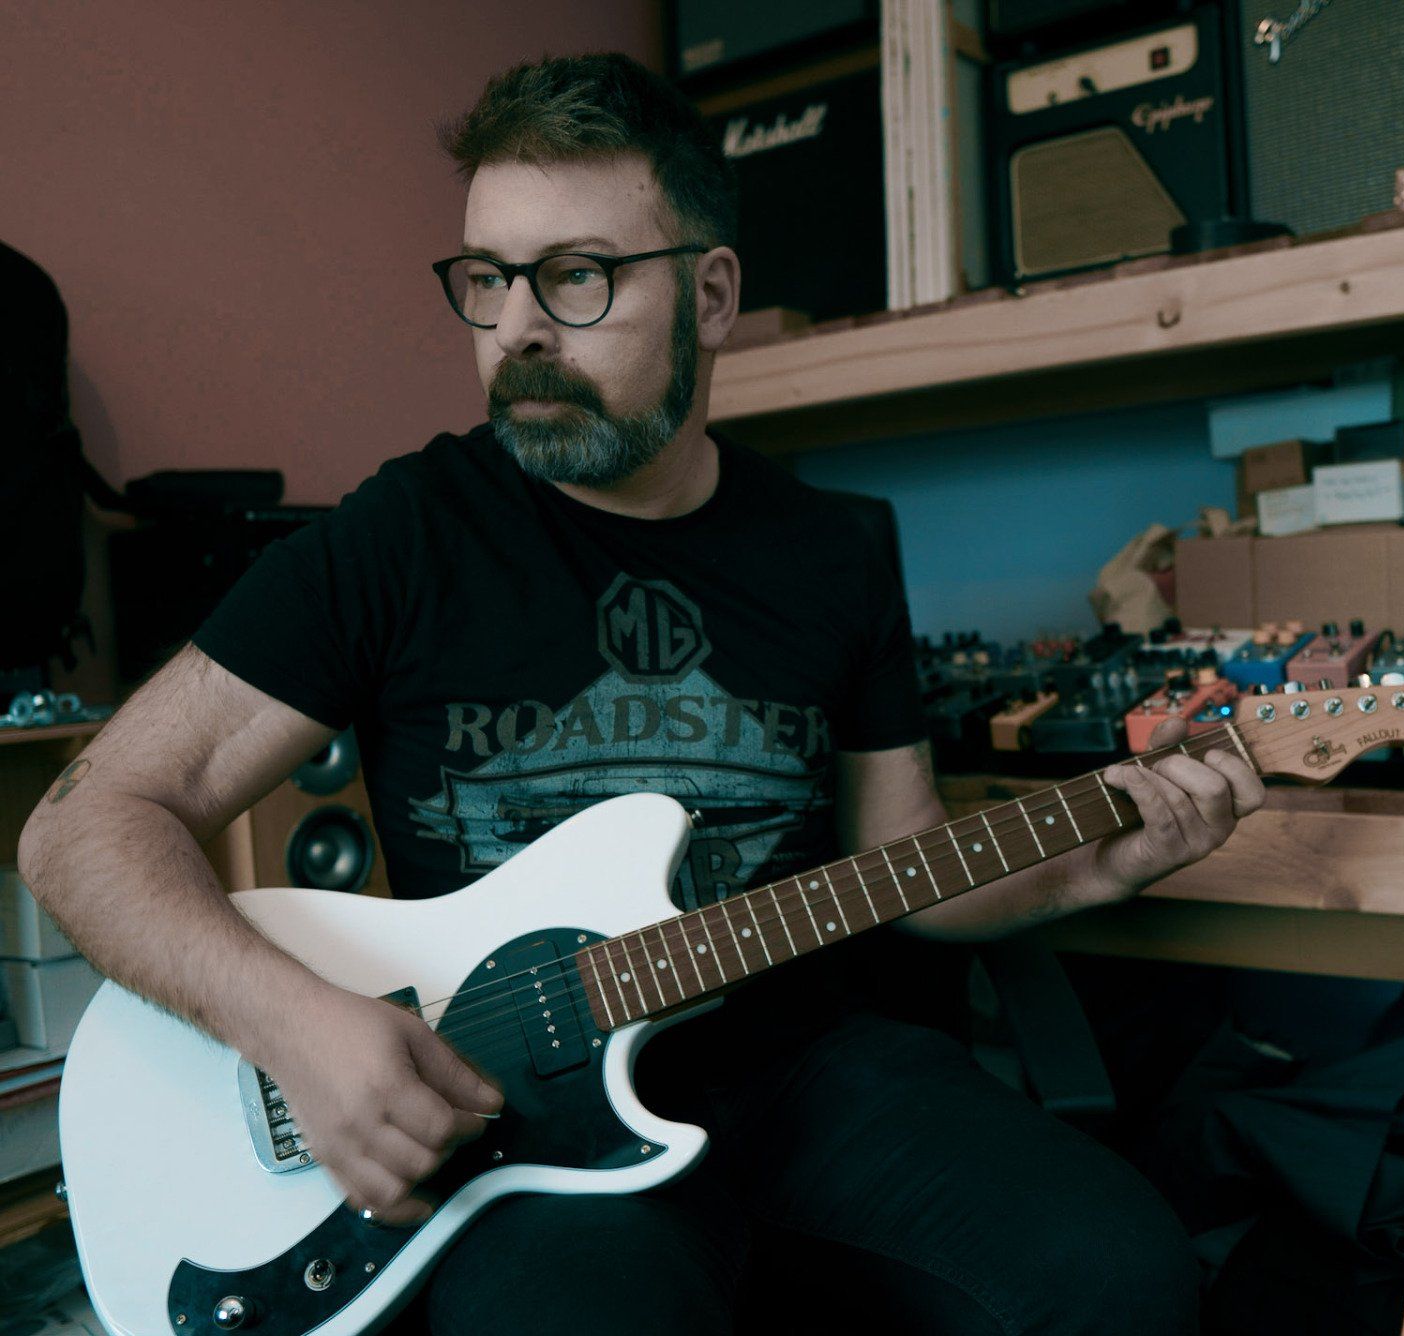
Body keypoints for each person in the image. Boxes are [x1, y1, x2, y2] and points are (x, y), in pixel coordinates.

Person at [18, 53, 1265, 1335]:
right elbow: (80, 824)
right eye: (488, 279)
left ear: (713, 295)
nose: (516, 329)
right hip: (512, 1113)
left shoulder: (832, 552)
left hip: (802, 1072)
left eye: (576, 275)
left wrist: (1095, 863)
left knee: (1127, 1277)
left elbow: (902, 859)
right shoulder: (404, 537)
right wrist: (299, 1027)